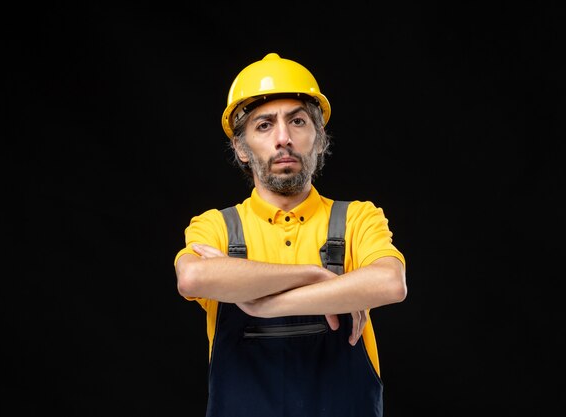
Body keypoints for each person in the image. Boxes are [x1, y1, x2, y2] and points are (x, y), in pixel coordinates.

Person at [174, 52, 407, 417]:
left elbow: (391, 283)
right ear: (241, 147)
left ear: (318, 138)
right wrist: (316, 276)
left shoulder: (357, 217)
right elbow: (192, 277)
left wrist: (264, 304)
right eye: (264, 125)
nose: (283, 138)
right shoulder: (217, 226)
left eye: (297, 121)